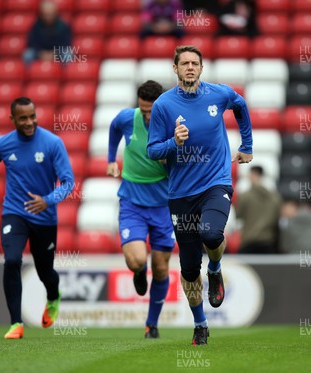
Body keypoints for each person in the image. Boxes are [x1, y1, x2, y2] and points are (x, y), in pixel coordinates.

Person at [147, 45, 253, 345]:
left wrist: (247, 145)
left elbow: (241, 106)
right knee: (190, 268)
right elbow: (153, 150)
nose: (190, 68)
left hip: (215, 183)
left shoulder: (219, 94)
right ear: (175, 68)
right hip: (181, 193)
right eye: (185, 64)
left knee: (211, 232)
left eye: (195, 63)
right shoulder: (164, 106)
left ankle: (216, 268)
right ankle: (200, 324)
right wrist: (174, 142)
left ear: (202, 68)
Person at [0, 97, 74, 339]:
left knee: (45, 273)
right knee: (11, 261)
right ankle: (15, 324)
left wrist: (47, 200)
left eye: (32, 116)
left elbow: (69, 182)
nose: (29, 122)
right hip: (14, 213)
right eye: (23, 118)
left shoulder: (53, 143)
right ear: (13, 119)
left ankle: (53, 296)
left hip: (45, 218)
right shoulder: (2, 145)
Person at [107, 80, 175, 339]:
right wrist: (111, 159)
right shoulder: (127, 118)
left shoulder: (172, 125)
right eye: (143, 109)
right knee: (136, 260)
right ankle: (137, 272)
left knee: (160, 267)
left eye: (151, 110)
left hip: (163, 206)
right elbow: (113, 128)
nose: (147, 115)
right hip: (132, 202)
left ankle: (152, 324)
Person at [235, 165, 281, 254]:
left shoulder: (244, 196)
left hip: (249, 241)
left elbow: (238, 215)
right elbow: (277, 219)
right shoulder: (275, 197)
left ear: (252, 175)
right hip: (268, 242)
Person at [23, 0, 72, 66]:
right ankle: (29, 75)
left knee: (68, 54)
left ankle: (66, 75)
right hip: (40, 53)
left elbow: (66, 43)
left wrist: (54, 53)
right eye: (46, 14)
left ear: (55, 13)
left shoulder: (63, 26)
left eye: (50, 14)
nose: (48, 17)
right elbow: (32, 42)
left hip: (57, 53)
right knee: (28, 55)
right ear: (42, 14)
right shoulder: (36, 26)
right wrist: (41, 53)